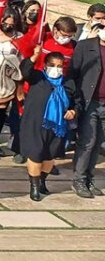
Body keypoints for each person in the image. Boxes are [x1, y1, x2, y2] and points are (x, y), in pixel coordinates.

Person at [17, 43, 74, 201]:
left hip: (57, 126)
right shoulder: (38, 77)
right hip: (35, 124)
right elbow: (25, 71)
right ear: (45, 65)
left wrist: (73, 111)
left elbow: (76, 101)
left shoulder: (67, 83)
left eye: (59, 66)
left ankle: (42, 181)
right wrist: (34, 56)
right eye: (52, 65)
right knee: (35, 154)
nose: (56, 69)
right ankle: (34, 186)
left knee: (49, 156)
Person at [70, 19, 105, 198]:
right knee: (87, 141)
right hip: (89, 101)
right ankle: (79, 179)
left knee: (98, 142)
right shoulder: (85, 46)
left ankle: (89, 178)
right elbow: (73, 74)